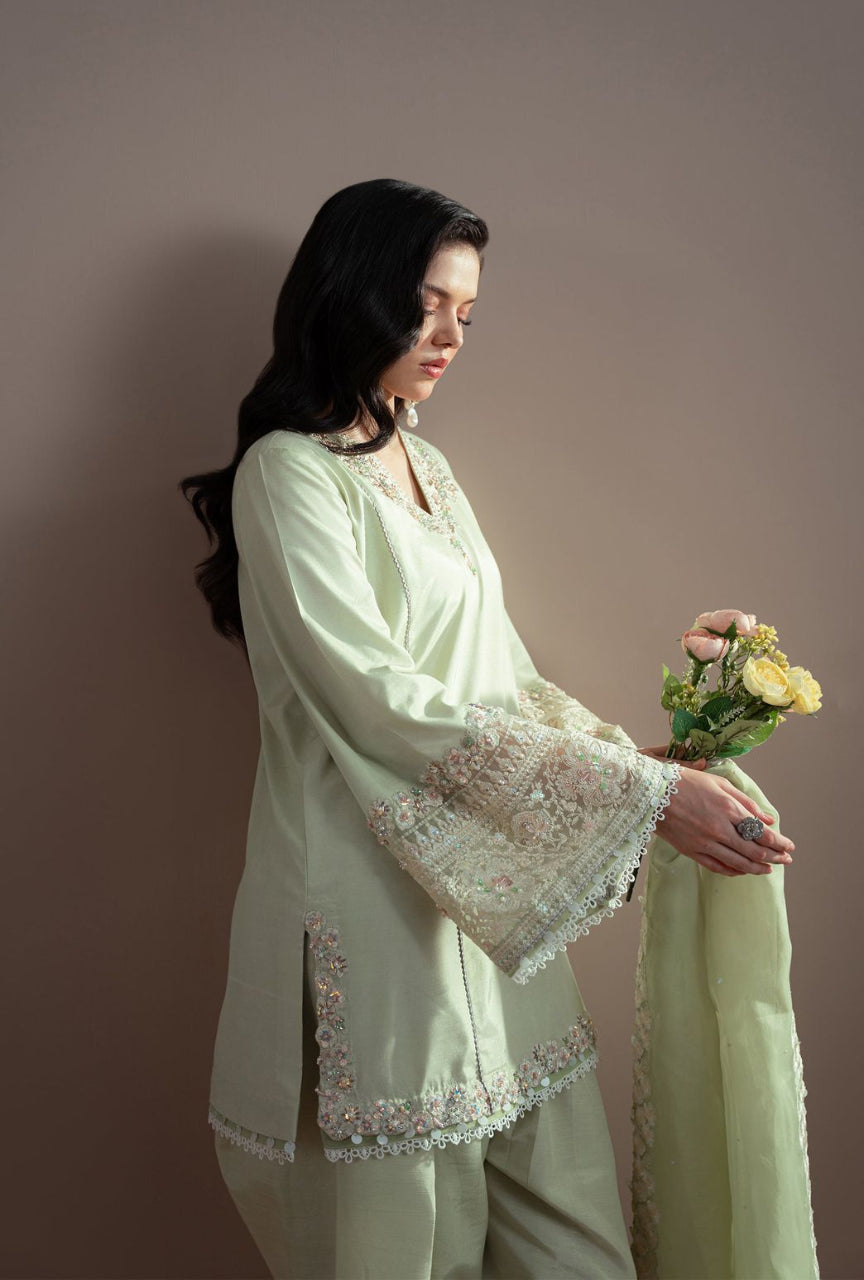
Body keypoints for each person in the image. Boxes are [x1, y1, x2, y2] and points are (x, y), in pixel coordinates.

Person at [179, 178, 795, 1280]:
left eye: (468, 310)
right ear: (354, 291)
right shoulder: (288, 475)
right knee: (399, 1254)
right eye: (428, 303)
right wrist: (642, 798)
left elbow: (500, 681)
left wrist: (650, 767)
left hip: (495, 919)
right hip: (374, 946)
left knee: (581, 1255)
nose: (452, 335)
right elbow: (380, 697)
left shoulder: (430, 463)